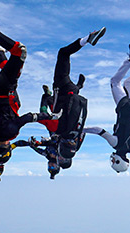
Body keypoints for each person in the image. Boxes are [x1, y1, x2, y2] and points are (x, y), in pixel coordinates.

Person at [0, 4, 52, 165]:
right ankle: (0, 48)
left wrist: (49, 116)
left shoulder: (10, 133)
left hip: (3, 92)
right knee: (8, 68)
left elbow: (28, 117)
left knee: (20, 52)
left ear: (8, 148)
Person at [83, 44, 130, 173]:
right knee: (114, 82)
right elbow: (99, 131)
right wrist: (82, 130)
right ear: (118, 160)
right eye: (114, 162)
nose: (112, 159)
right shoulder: (116, 144)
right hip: (125, 108)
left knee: (128, 83)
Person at [50, 27, 106, 161]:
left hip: (73, 93)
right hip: (62, 88)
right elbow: (45, 115)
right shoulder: (57, 130)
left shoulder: (77, 134)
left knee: (72, 90)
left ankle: (79, 85)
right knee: (63, 53)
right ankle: (88, 39)